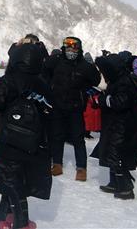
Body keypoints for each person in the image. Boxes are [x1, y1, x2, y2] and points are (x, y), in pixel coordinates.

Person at [0, 42, 53, 229]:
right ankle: (4, 216)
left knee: (11, 182)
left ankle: (21, 223)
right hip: (32, 143)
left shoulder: (8, 81)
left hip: (8, 141)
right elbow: (51, 109)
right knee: (18, 179)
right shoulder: (41, 83)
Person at [90, 51, 137, 200]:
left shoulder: (124, 82)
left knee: (117, 156)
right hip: (117, 124)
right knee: (111, 153)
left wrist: (102, 100)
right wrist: (101, 100)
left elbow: (120, 102)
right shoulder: (119, 79)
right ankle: (113, 182)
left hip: (125, 127)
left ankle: (126, 188)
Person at [42, 36, 100, 181]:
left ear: (79, 48)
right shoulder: (56, 61)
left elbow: (96, 80)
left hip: (76, 107)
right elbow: (44, 73)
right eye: (67, 46)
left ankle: (81, 168)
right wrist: (50, 90)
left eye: (74, 47)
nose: (70, 50)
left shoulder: (84, 65)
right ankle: (57, 164)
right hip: (57, 105)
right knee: (57, 136)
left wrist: (85, 86)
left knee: (78, 138)